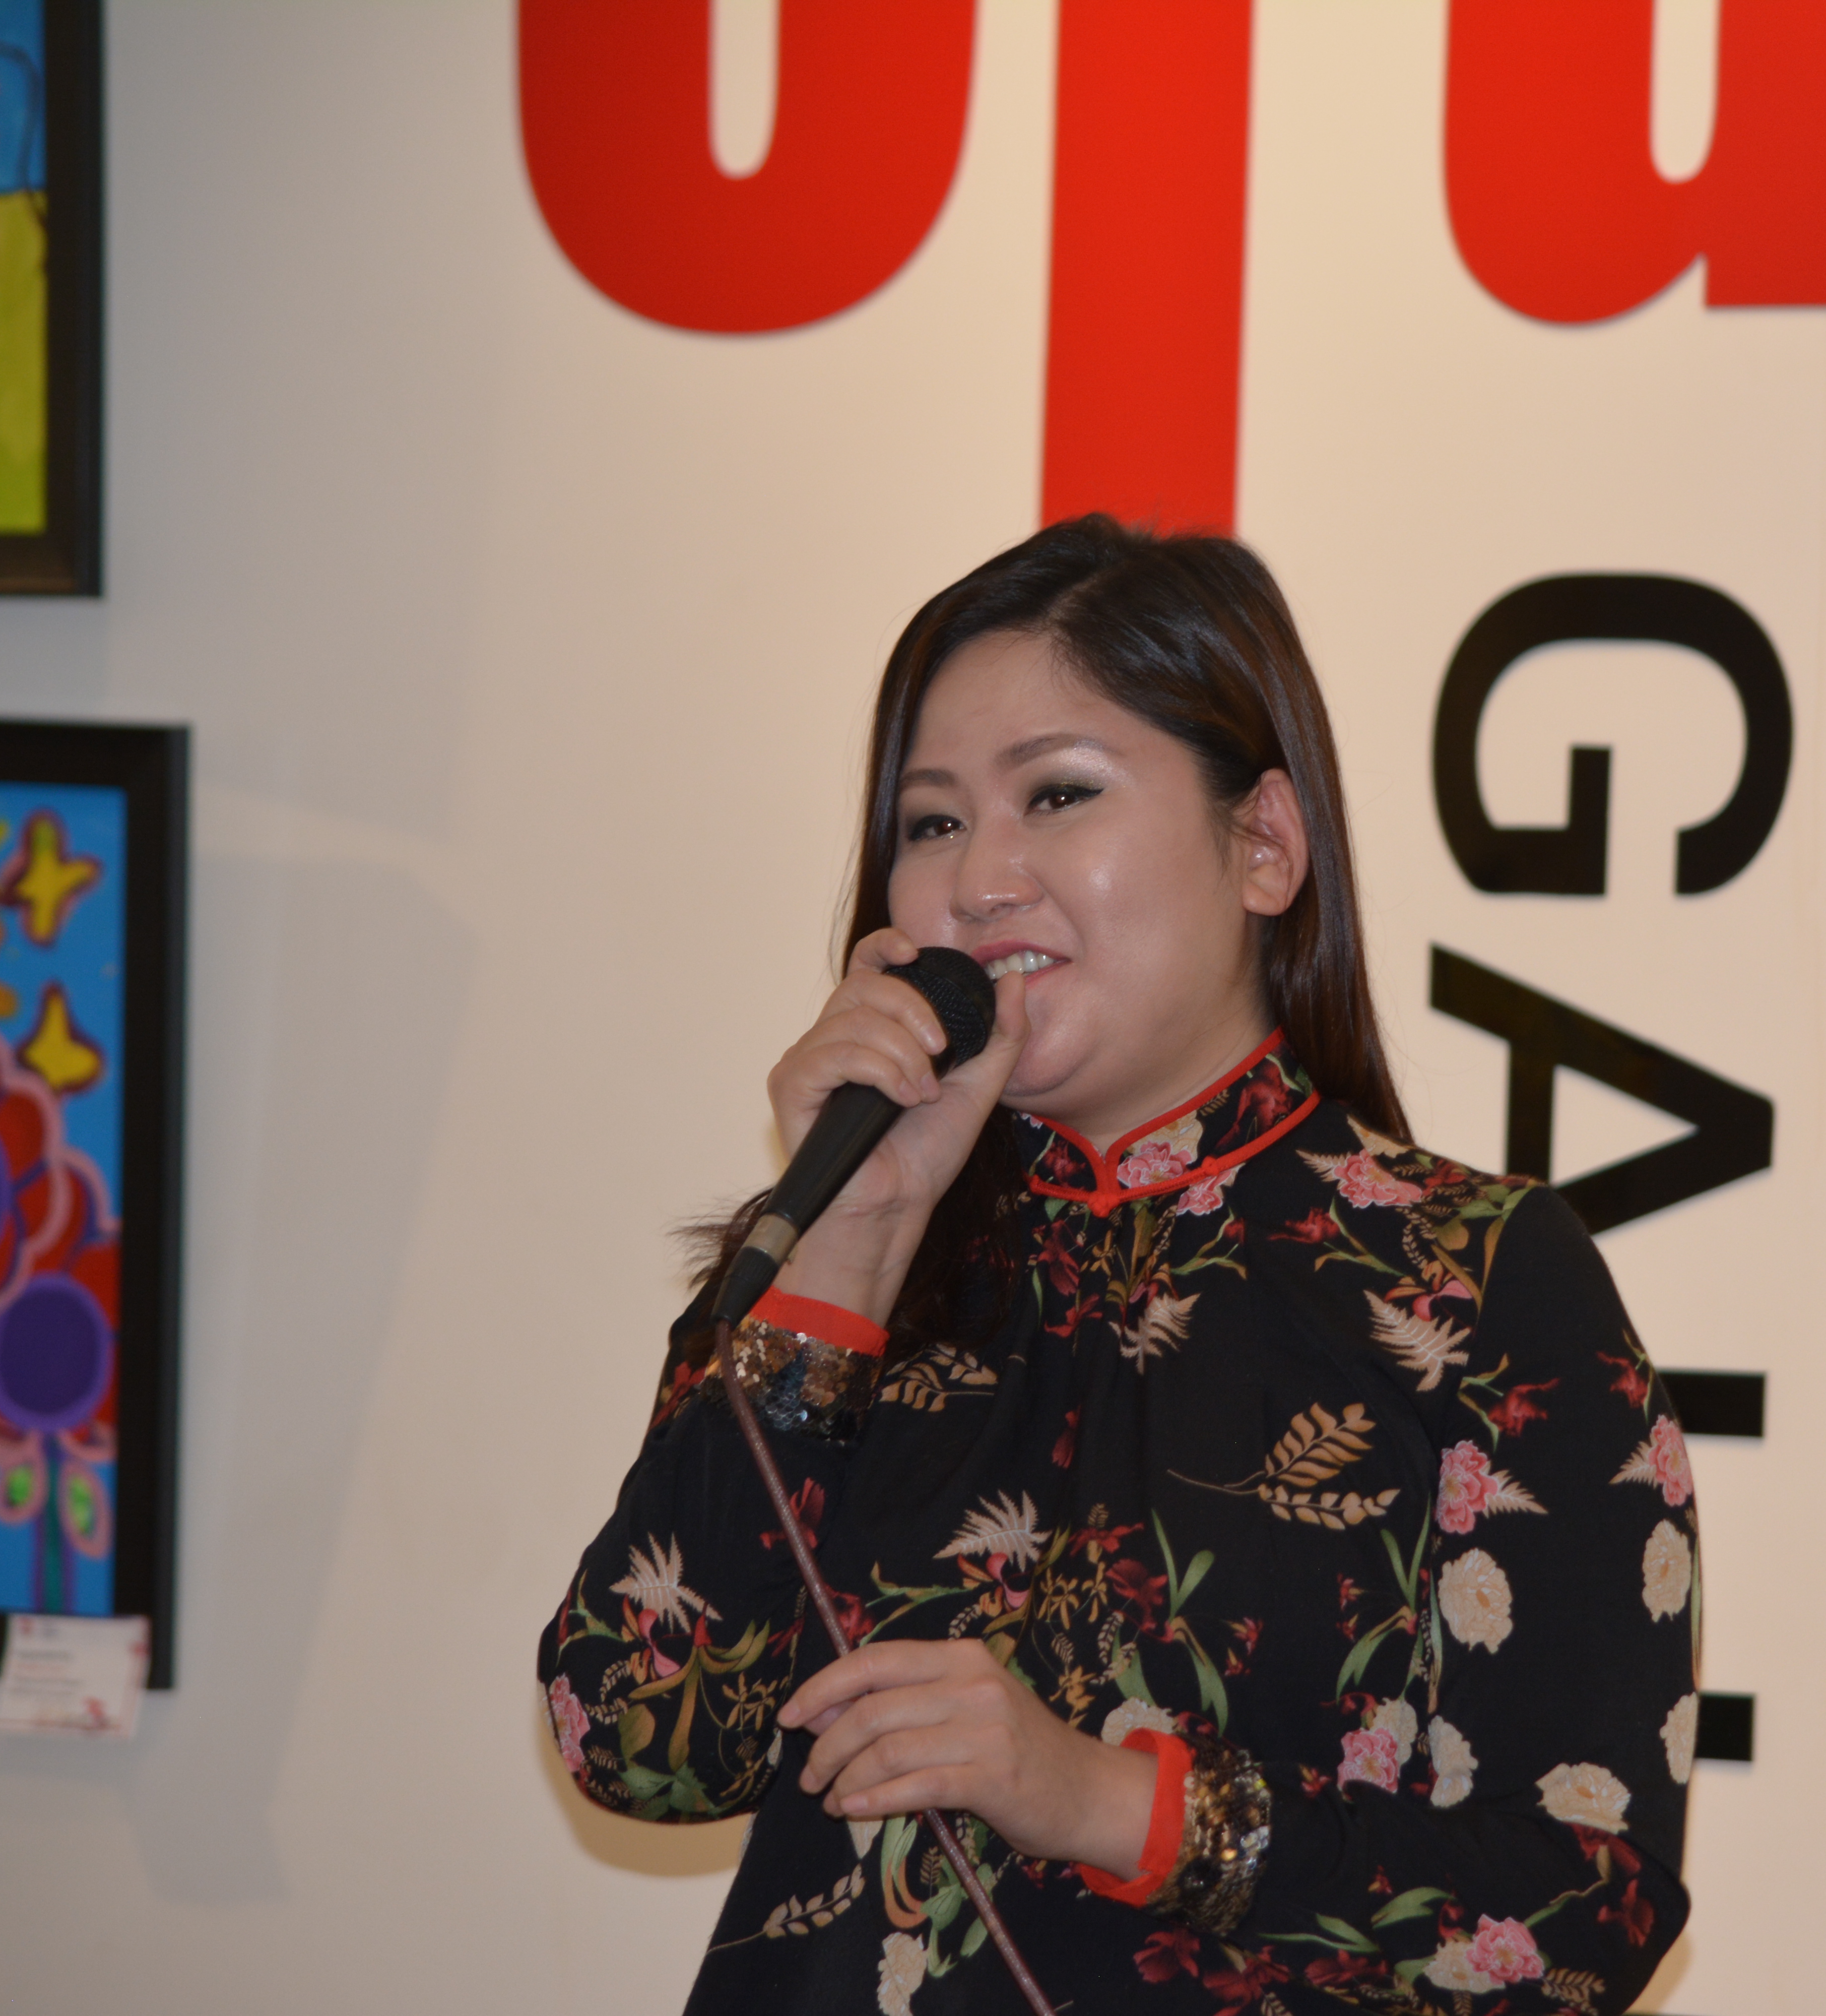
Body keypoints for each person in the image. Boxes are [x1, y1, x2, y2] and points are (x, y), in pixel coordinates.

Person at [540, 517, 1700, 2012]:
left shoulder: (1473, 1280)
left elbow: (1587, 1907)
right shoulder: (838, 1259)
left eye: (1058, 793)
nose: (980, 879)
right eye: (931, 822)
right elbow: (633, 1738)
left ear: (1263, 844)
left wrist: (1108, 1801)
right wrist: (853, 1237)